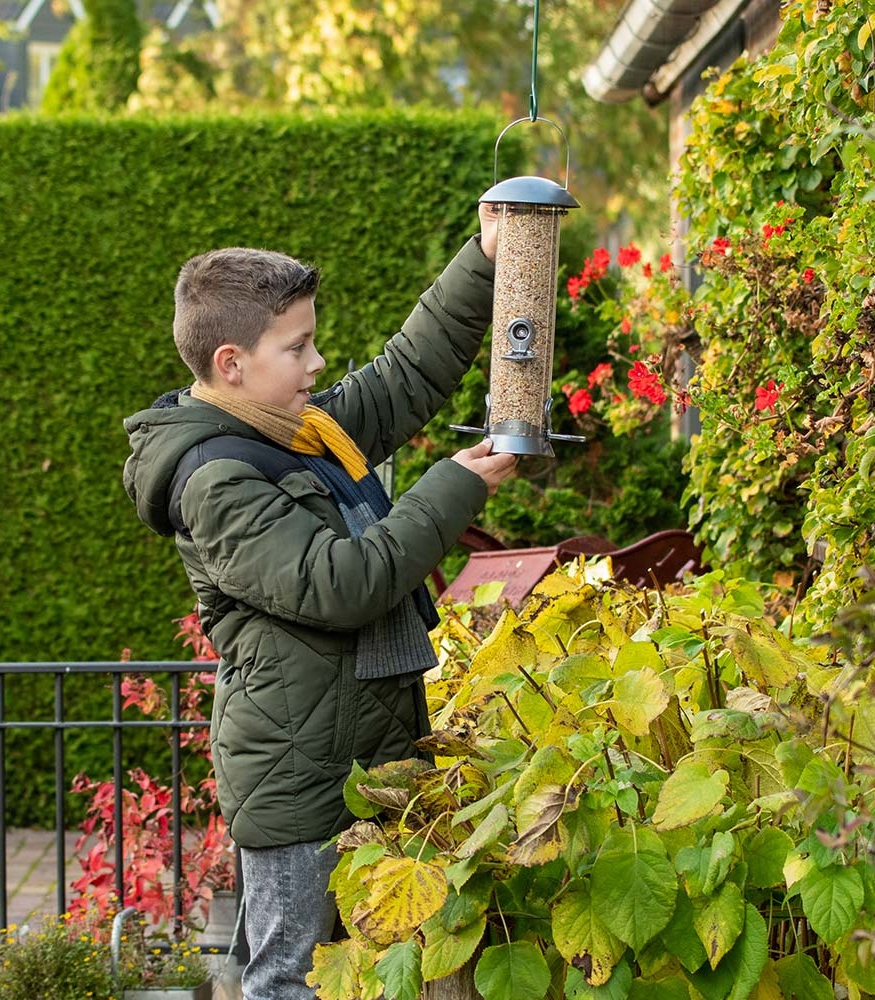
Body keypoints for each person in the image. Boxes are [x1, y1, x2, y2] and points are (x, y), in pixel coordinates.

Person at [122, 200, 517, 1000]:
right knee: (288, 982)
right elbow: (343, 583)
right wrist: (454, 486)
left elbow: (405, 378)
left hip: (362, 753)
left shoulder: (295, 431)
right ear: (231, 363)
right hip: (298, 776)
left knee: (370, 976)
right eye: (296, 346)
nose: (316, 361)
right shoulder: (217, 477)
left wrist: (486, 255)